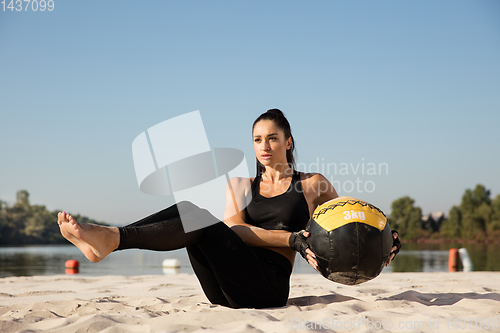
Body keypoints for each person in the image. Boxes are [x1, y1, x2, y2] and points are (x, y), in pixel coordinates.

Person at [58, 109, 401, 309]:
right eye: (257, 140)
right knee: (191, 208)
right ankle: (109, 237)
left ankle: (110, 239)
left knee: (201, 218)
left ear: (288, 142)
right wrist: (291, 238)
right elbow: (235, 232)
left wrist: (384, 240)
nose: (264, 147)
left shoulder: (313, 184)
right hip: (222, 287)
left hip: (268, 287)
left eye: (272, 138)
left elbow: (344, 227)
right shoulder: (239, 185)